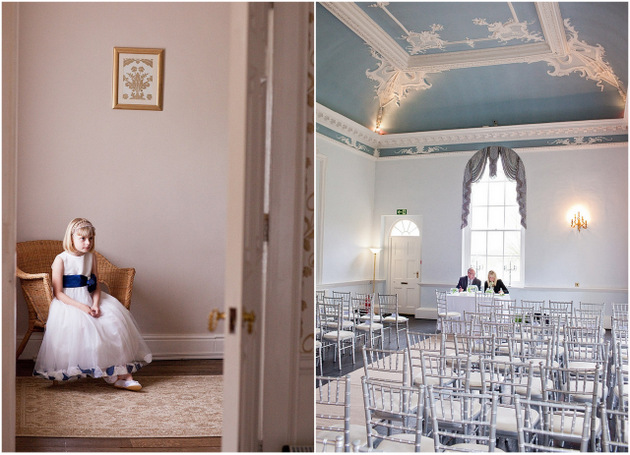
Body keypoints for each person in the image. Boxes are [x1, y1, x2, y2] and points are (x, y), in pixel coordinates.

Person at [33, 218, 152, 391]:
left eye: (91, 239)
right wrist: (82, 307)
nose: (87, 243)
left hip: (90, 299)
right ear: (71, 238)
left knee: (115, 323)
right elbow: (58, 293)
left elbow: (95, 285)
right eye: (83, 238)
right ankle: (111, 374)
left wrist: (95, 304)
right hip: (69, 303)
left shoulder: (91, 257)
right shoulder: (61, 259)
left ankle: (125, 376)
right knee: (89, 328)